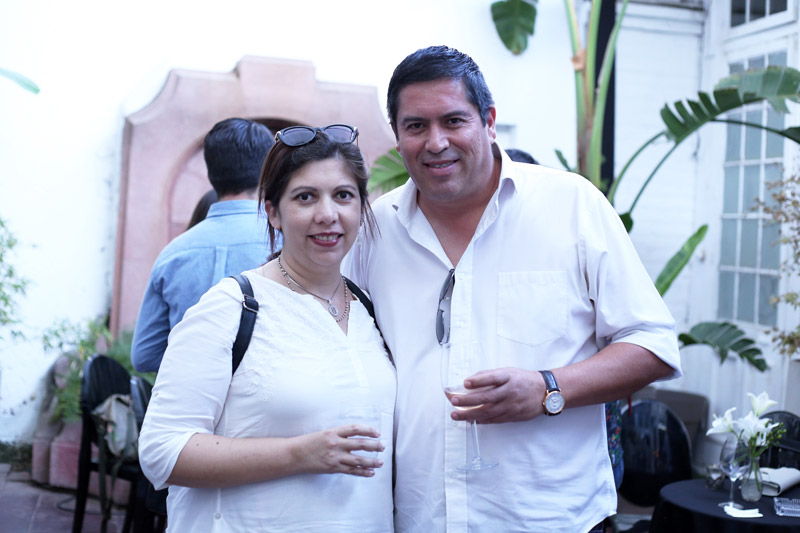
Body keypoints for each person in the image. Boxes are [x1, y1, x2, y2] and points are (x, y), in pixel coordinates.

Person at [343, 46, 681, 532]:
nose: (436, 142)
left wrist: (548, 388)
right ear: (397, 136)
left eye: (453, 121)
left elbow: (653, 344)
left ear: (489, 122)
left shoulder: (571, 205)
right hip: (421, 515)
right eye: (416, 126)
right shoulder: (375, 230)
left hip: (548, 518)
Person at [139, 124, 395, 532]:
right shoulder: (232, 306)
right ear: (273, 212)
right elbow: (161, 451)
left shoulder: (369, 309)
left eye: (343, 195)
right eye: (305, 197)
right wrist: (300, 454)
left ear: (362, 208)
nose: (327, 214)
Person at [131, 118, 277, 373]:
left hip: (191, 393)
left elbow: (144, 356)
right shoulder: (286, 242)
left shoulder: (172, 253)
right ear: (267, 172)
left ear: (210, 174)